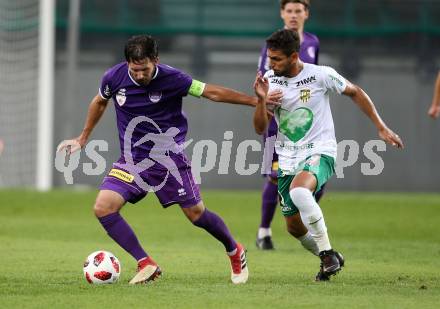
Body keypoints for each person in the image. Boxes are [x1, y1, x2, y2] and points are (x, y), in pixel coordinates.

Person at [57, 35, 269, 285]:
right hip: (132, 160)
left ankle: (235, 250)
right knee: (103, 207)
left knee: (196, 214)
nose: (139, 75)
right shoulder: (114, 77)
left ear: (156, 60)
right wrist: (83, 138)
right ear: (127, 64)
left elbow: (211, 92)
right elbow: (100, 101)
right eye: (134, 70)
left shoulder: (173, 78)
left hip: (168, 160)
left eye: (144, 69)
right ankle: (146, 263)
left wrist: (257, 100)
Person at [253, 29, 404, 281]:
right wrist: (261, 101)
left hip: (320, 150)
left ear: (293, 56)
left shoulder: (321, 75)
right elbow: (259, 127)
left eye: (276, 59)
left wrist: (380, 126)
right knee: (293, 227)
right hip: (288, 157)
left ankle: (327, 254)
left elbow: (355, 92)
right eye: (270, 58)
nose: (271, 63)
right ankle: (329, 256)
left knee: (300, 192)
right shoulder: (270, 80)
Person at [256, 0, 323, 251]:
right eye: (289, 11)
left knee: (318, 179)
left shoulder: (313, 43)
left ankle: (305, 220)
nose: (294, 15)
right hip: (278, 126)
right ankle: (264, 232)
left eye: (298, 11)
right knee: (275, 177)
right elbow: (264, 80)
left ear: (306, 14)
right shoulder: (272, 46)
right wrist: (266, 101)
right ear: (282, 13)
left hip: (309, 127)